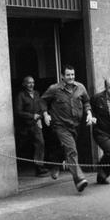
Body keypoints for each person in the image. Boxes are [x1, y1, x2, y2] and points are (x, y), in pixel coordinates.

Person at [41, 64, 93, 192]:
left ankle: (56, 164)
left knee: (67, 149)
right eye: (68, 75)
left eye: (73, 74)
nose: (71, 77)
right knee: (71, 150)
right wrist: (45, 114)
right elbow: (42, 101)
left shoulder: (80, 87)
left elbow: (86, 101)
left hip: (75, 126)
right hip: (60, 125)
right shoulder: (54, 89)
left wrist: (89, 113)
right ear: (62, 76)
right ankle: (79, 179)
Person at [13, 76, 48, 177]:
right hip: (24, 125)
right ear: (24, 84)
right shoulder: (21, 95)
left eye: (33, 82)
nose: (31, 85)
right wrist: (32, 116)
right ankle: (19, 166)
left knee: (40, 143)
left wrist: (41, 116)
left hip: (35, 124)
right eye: (29, 83)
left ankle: (39, 167)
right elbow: (18, 112)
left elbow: (41, 106)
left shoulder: (36, 93)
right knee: (22, 146)